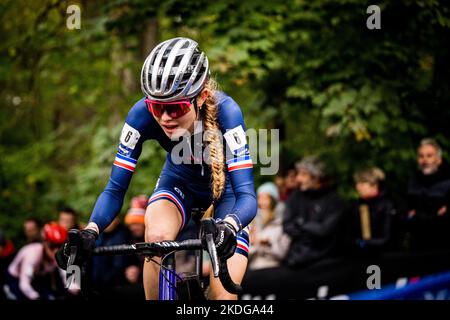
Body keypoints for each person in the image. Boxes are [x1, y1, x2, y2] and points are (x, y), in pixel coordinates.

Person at [57, 37, 257, 300]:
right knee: (157, 237)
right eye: (157, 106)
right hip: (179, 184)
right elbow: (116, 188)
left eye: (174, 107)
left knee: (222, 298)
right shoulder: (139, 115)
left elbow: (246, 196)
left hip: (228, 196)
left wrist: (230, 226)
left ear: (202, 97)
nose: (164, 117)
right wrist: (91, 231)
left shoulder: (227, 112)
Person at [282, 156, 344, 268]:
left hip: (326, 261)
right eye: (299, 174)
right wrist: (309, 228)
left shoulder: (334, 200)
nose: (298, 179)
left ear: (316, 178)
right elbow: (287, 225)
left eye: (303, 175)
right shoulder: (295, 196)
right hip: (296, 258)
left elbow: (325, 230)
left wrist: (300, 224)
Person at [406, 138, 450, 251]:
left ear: (438, 159)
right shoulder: (413, 180)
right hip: (416, 242)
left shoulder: (447, 181)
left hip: (442, 243)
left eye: (429, 156)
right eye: (421, 156)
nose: (424, 160)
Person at [5, 222, 68, 300]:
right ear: (45, 243)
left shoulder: (60, 255)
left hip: (37, 276)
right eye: (52, 246)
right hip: (16, 278)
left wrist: (75, 289)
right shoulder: (33, 254)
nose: (56, 251)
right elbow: (24, 284)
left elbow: (66, 276)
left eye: (60, 246)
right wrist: (36, 297)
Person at [346, 167, 395, 255]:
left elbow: (387, 238)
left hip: (385, 256)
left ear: (374, 185)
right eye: (357, 183)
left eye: (362, 183)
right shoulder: (356, 205)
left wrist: (363, 243)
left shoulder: (387, 205)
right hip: (360, 256)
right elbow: (349, 236)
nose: (358, 187)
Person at [248, 182, 290, 270]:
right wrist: (253, 243)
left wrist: (267, 245)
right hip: (254, 266)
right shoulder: (254, 221)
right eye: (259, 197)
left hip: (273, 267)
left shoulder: (281, 222)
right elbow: (247, 252)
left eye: (265, 198)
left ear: (273, 201)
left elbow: (282, 253)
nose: (261, 202)